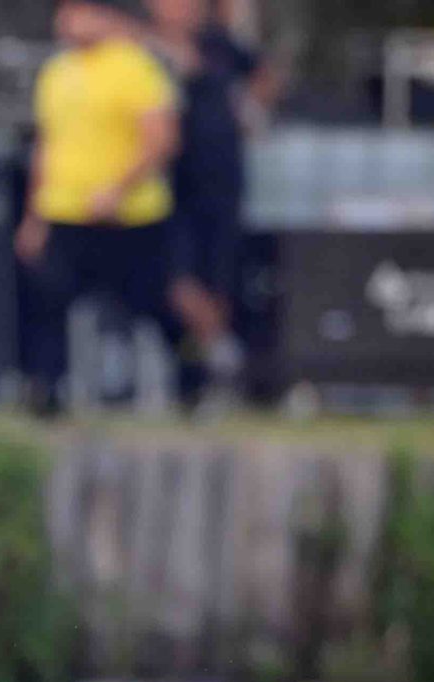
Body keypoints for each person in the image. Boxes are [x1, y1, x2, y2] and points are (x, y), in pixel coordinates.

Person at [15, 0, 183, 417]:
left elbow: (161, 140)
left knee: (150, 303)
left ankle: (190, 382)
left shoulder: (134, 67)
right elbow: (46, 146)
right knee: (50, 298)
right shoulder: (56, 72)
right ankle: (46, 390)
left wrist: (117, 190)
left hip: (130, 215)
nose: (67, 22)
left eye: (79, 11)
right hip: (65, 210)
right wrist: (34, 216)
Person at [150, 0, 272, 403]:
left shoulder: (219, 44)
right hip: (169, 185)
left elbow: (263, 75)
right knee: (176, 281)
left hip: (221, 180)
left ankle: (214, 373)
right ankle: (224, 356)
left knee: (219, 278)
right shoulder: (143, 45)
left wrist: (250, 111)